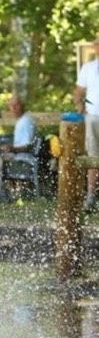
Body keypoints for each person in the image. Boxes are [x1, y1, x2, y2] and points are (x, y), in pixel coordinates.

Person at [0, 94, 37, 197]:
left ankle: (4, 196)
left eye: (16, 105)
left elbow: (27, 147)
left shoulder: (26, 121)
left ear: (21, 105)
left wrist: (11, 148)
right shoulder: (22, 120)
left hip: (24, 161)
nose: (13, 108)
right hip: (18, 157)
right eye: (11, 106)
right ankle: (7, 193)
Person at [74, 36, 99, 211]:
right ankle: (91, 196)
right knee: (93, 157)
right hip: (93, 117)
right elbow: (79, 92)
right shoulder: (88, 68)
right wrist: (80, 105)